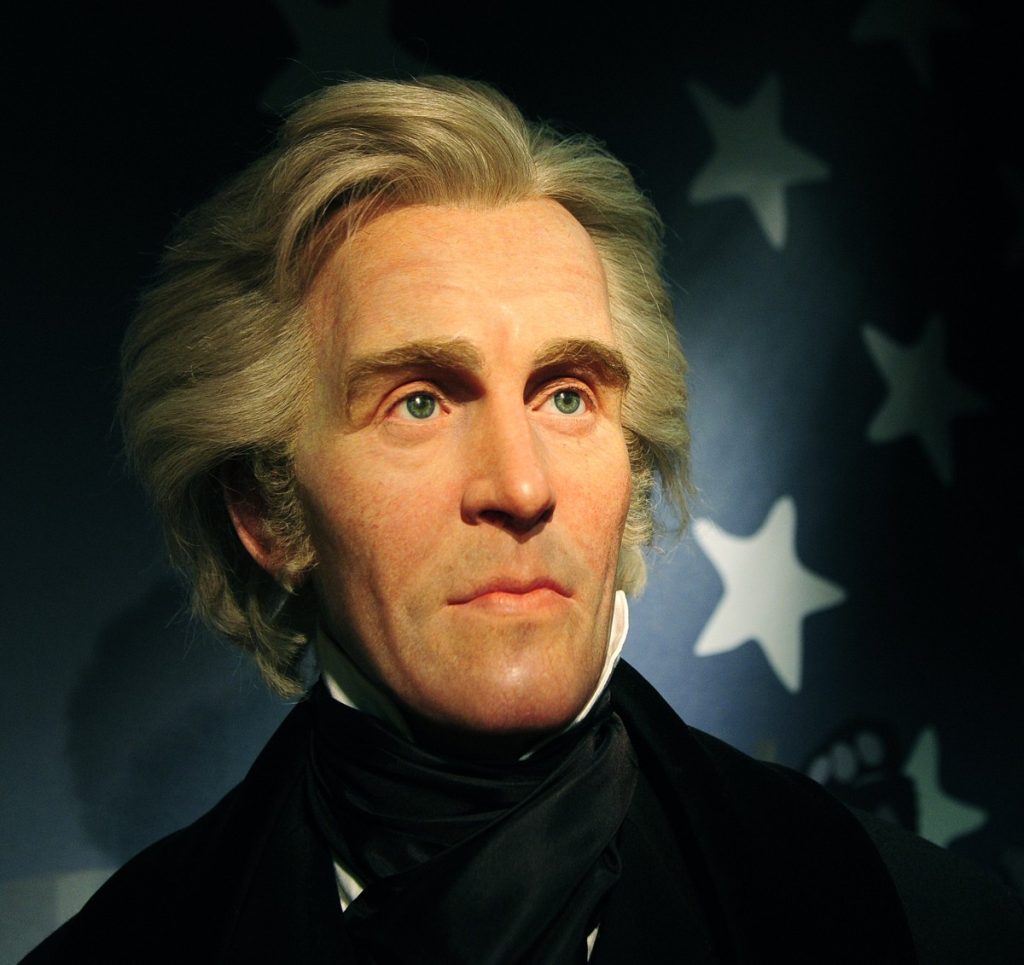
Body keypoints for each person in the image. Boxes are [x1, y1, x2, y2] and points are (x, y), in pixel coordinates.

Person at [25, 76, 1022, 963]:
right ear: (264, 512)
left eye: (567, 394)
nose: (520, 483)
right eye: (420, 401)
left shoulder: (919, 925)